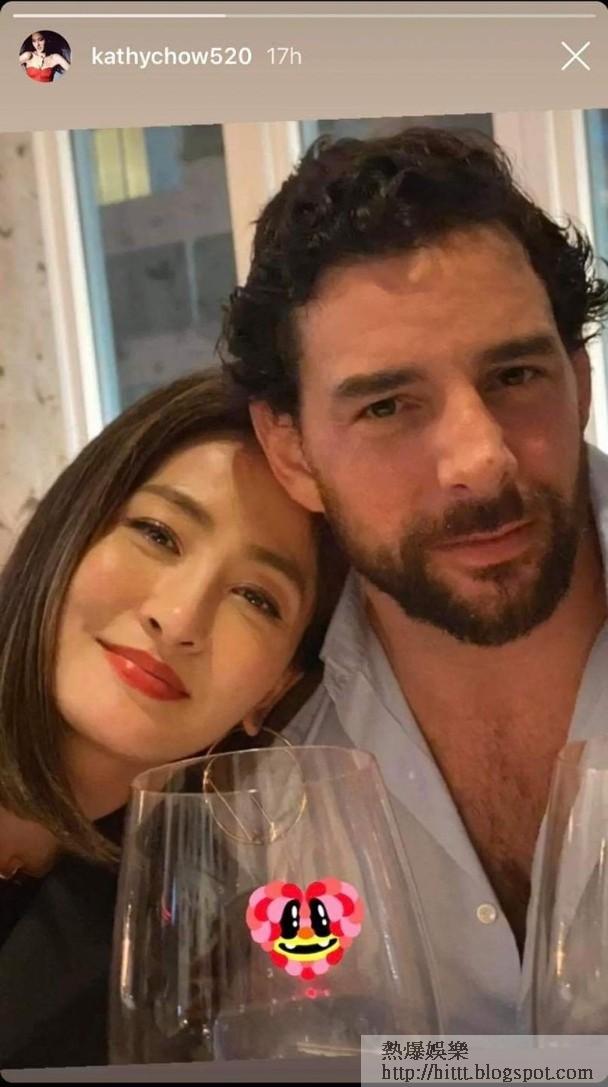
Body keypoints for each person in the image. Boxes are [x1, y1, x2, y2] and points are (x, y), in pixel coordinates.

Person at [221, 126, 608, 1033]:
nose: (480, 459)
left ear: (580, 381)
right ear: (292, 449)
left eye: (515, 373)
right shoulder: (248, 750)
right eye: (389, 405)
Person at [0, 370, 343, 1068]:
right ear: (70, 532)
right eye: (157, 533)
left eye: (257, 597)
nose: (179, 618)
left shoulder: (190, 937)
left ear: (275, 689)